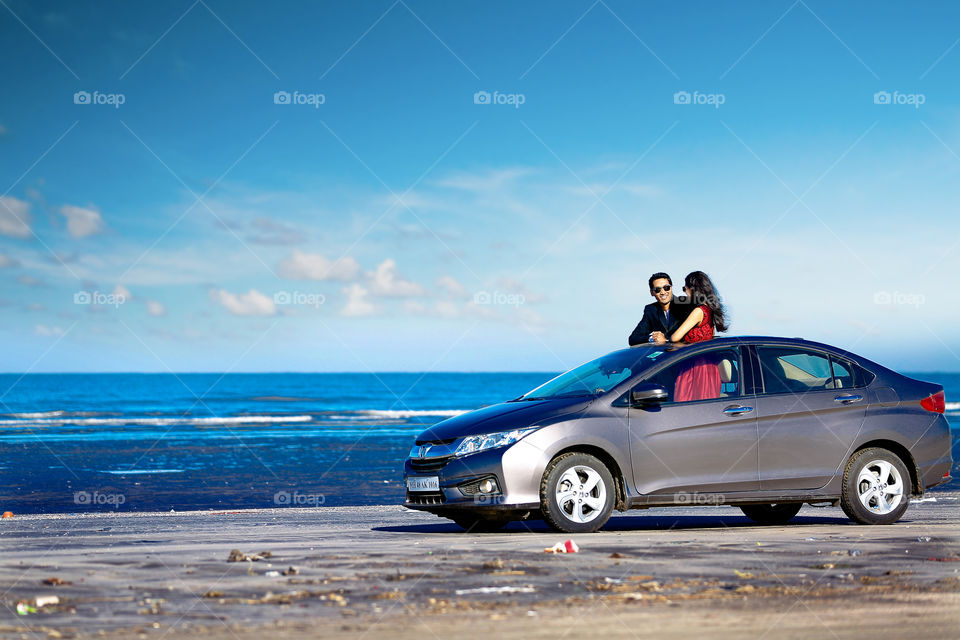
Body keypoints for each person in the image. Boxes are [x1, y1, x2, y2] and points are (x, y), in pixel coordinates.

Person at [664, 271, 729, 401]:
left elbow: (675, 338)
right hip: (710, 367)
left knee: (685, 406)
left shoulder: (699, 311)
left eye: (684, 288)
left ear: (692, 289)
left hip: (694, 367)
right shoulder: (710, 311)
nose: (684, 292)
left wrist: (664, 338)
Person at [627, 272, 693, 346]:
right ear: (652, 292)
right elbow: (633, 339)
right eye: (657, 290)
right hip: (667, 355)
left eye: (666, 288)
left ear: (671, 288)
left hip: (687, 353)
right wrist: (653, 338)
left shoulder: (686, 304)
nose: (663, 292)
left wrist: (666, 340)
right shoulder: (651, 310)